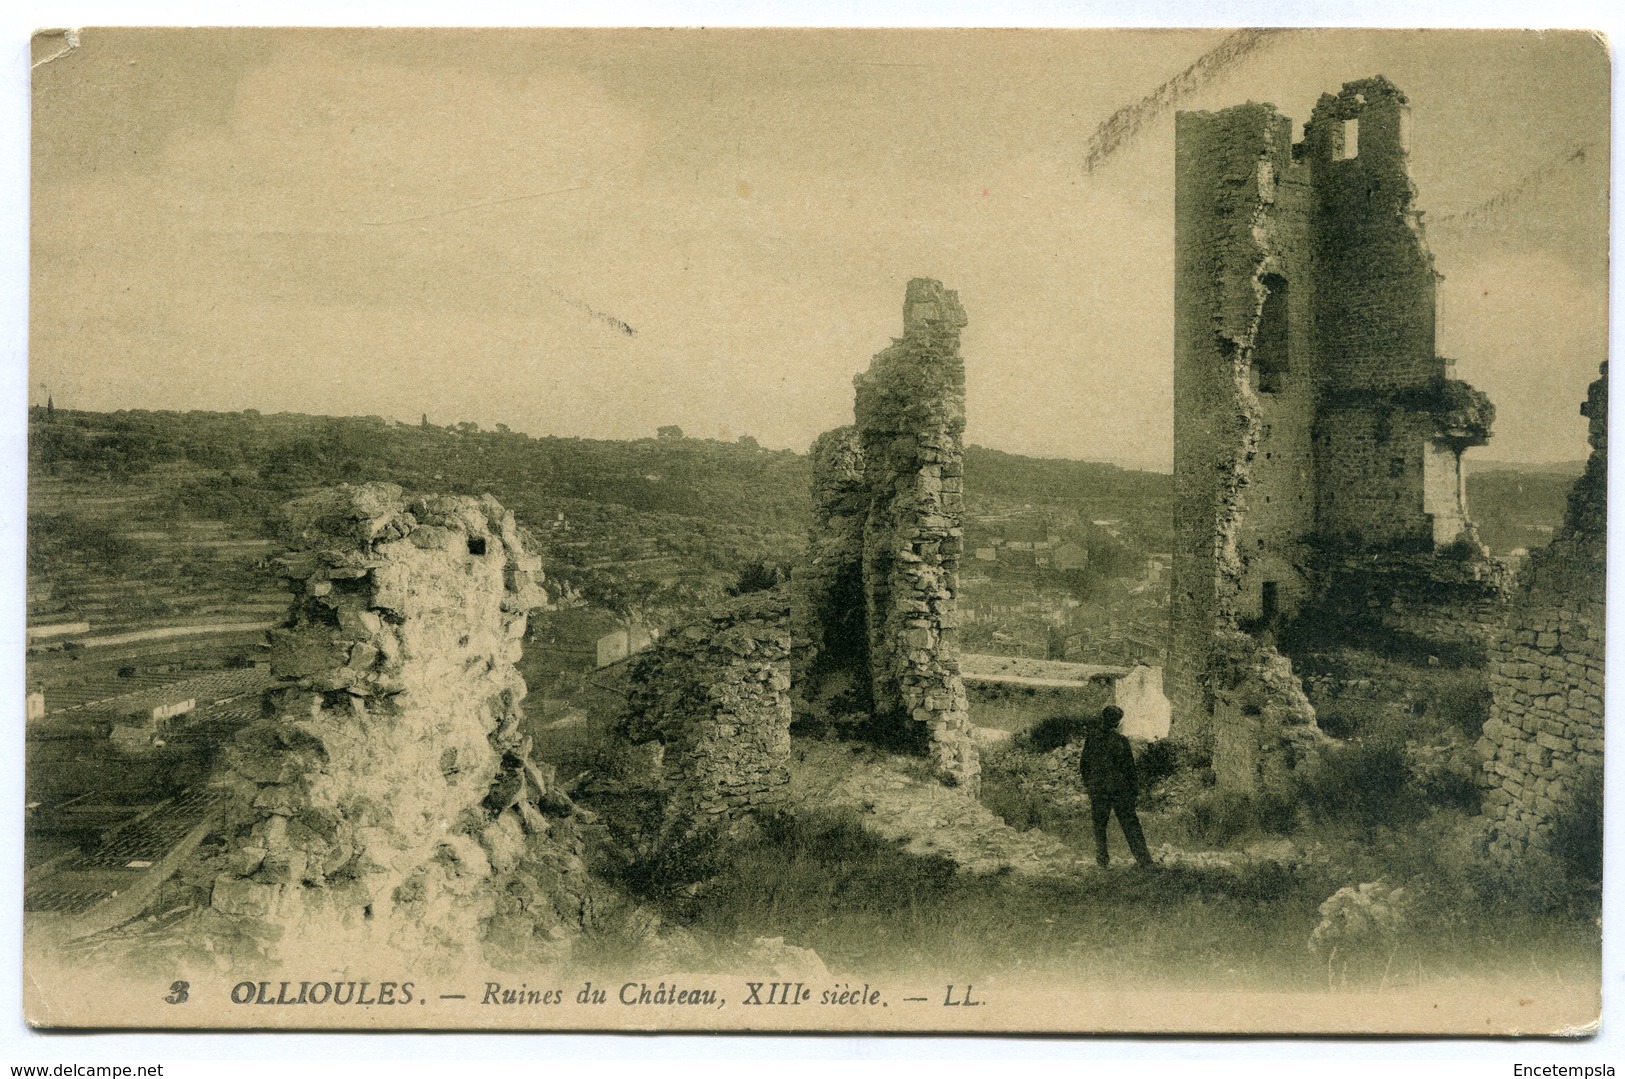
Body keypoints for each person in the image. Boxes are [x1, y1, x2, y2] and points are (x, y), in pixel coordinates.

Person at [1079, 705, 1153, 869]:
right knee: (1131, 824)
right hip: (1120, 790)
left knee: (1100, 826)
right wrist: (1134, 790)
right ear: (1118, 722)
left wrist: (1090, 785)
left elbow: (1084, 765)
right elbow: (1129, 769)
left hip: (1099, 789)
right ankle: (1144, 861)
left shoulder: (1092, 739)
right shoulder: (1121, 741)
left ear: (1103, 718)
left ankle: (1102, 860)